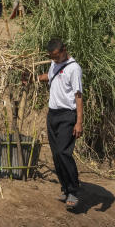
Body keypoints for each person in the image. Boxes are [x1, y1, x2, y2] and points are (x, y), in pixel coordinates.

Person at [36, 38, 83, 209]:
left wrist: (79, 122)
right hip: (53, 114)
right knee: (56, 154)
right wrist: (34, 78)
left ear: (64, 50)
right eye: (52, 57)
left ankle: (73, 191)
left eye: (56, 56)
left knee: (64, 153)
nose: (54, 60)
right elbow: (50, 76)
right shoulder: (54, 63)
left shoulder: (74, 69)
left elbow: (78, 96)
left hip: (67, 115)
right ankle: (65, 187)